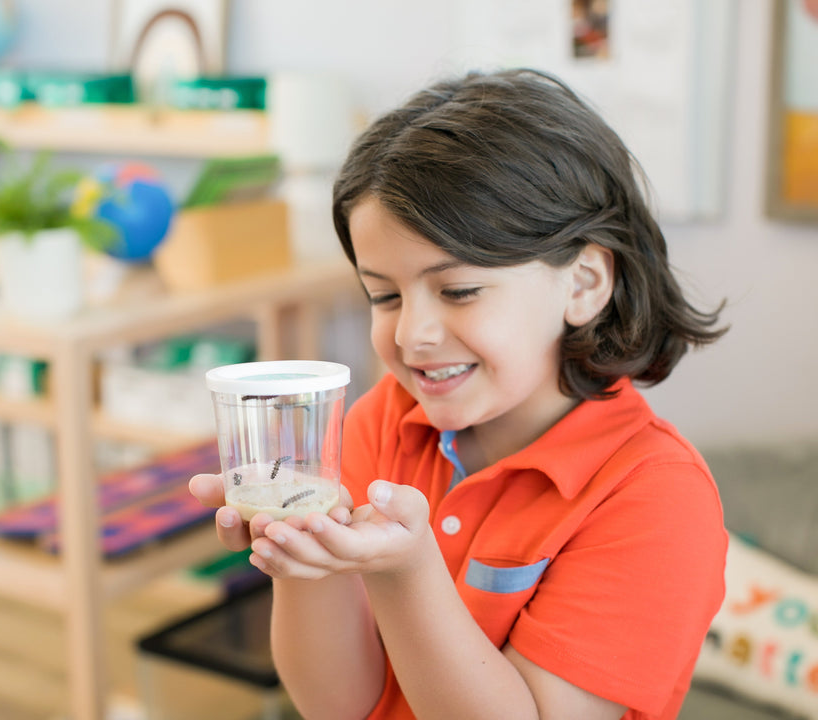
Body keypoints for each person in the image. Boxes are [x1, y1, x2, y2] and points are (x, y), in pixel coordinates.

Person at [189, 67, 729, 720]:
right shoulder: (382, 424)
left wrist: (406, 571)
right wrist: (300, 550)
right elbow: (335, 705)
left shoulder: (654, 496)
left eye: (459, 291)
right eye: (383, 295)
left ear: (583, 283)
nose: (413, 336)